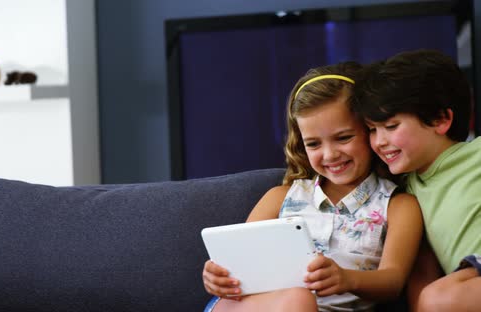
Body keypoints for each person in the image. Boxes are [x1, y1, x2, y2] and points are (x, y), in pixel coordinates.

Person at [201, 62, 423, 312]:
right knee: (297, 299)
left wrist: (347, 278)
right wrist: (217, 276)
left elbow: (392, 281)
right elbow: (239, 264)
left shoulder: (398, 205)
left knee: (299, 300)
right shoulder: (279, 198)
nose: (330, 155)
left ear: (370, 130)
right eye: (314, 144)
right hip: (256, 306)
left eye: (343, 138)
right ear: (301, 144)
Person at [352, 49, 481, 312]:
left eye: (391, 126)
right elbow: (422, 274)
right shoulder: (406, 195)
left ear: (440, 119)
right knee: (435, 299)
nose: (379, 141)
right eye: (372, 130)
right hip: (465, 282)